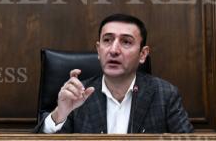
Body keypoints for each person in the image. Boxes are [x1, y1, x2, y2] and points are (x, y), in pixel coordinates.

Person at [36, 14, 194, 134]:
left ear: (143, 54)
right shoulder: (78, 94)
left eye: (126, 42)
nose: (113, 50)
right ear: (99, 50)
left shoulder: (165, 94)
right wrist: (60, 114)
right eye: (107, 40)